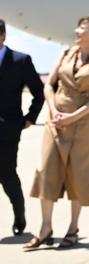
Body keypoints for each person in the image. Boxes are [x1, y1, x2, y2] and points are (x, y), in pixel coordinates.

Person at [25, 16, 89, 250]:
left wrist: (73, 117)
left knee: (78, 175)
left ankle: (73, 228)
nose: (76, 31)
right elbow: (48, 84)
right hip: (55, 119)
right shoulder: (66, 53)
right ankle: (45, 229)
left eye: (82, 28)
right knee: (46, 171)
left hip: (83, 123)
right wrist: (53, 110)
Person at [0, 19, 44, 236]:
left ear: (3, 36)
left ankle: (19, 214)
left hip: (8, 128)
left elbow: (39, 92)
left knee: (6, 174)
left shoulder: (20, 61)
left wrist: (30, 118)